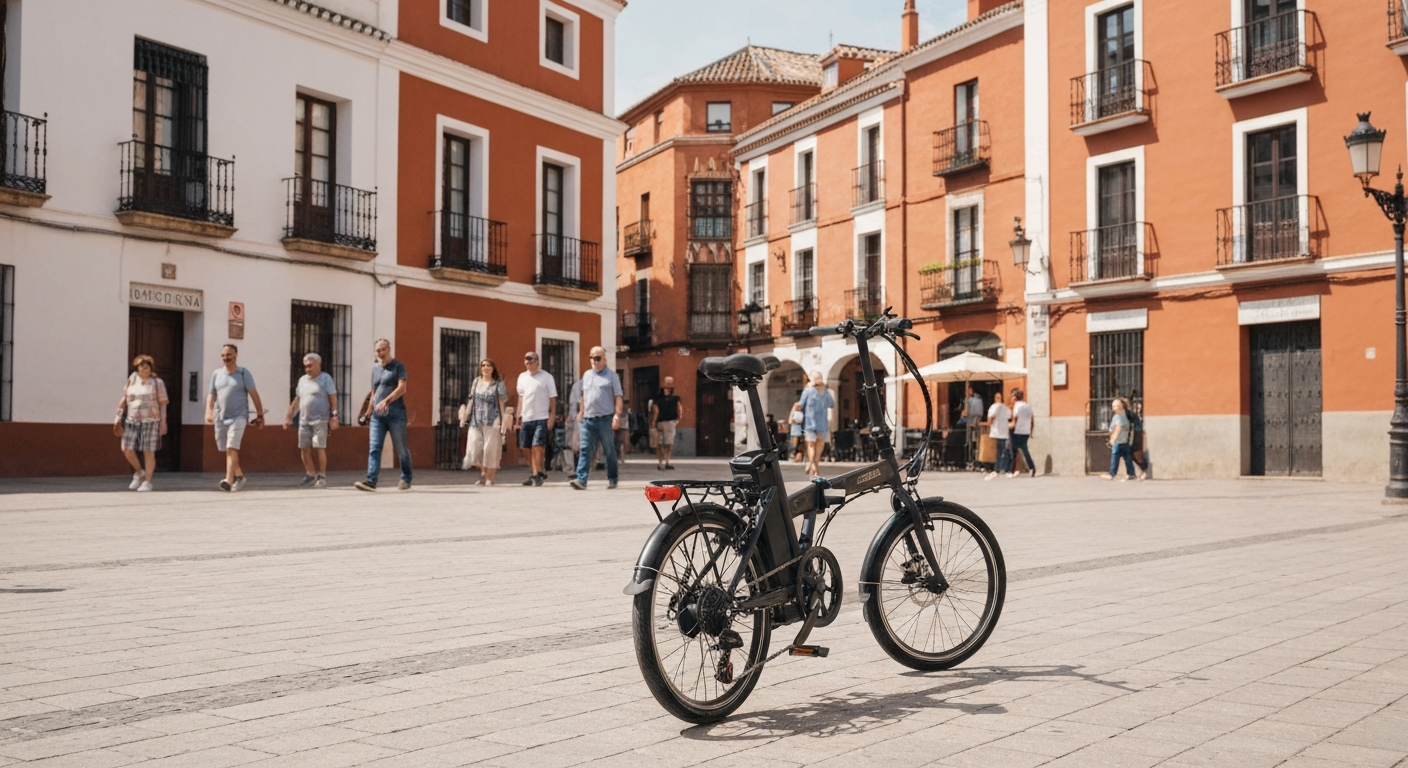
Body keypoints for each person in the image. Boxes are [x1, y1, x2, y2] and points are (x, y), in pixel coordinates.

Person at [205, 344, 264, 492]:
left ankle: (228, 480)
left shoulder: (243, 373)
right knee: (229, 450)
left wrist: (260, 414)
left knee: (231, 447)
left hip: (239, 416)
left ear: (236, 355)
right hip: (221, 416)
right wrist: (208, 411)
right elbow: (211, 394)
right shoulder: (216, 374)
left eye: (229, 354)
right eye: (223, 355)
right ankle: (239, 476)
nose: (226, 358)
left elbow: (254, 394)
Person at [355, 339, 411, 492]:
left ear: (389, 349)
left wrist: (386, 401)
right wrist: (368, 411)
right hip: (377, 417)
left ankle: (406, 477)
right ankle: (371, 481)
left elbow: (402, 388)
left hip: (396, 415)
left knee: (401, 449)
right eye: (377, 350)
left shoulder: (398, 366)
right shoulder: (375, 369)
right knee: (374, 447)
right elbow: (374, 391)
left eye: (382, 350)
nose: (380, 353)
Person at [570, 346, 624, 490]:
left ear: (604, 359)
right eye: (592, 358)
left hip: (605, 419)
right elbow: (583, 395)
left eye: (598, 358)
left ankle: (613, 478)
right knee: (585, 448)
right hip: (588, 419)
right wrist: (581, 412)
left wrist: (617, 416)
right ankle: (581, 480)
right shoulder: (587, 375)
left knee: (609, 450)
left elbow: (618, 396)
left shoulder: (612, 376)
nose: (594, 361)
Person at [283, 352, 338, 488]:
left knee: (318, 446)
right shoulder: (302, 380)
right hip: (304, 420)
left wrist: (334, 415)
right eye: (306, 366)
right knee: (304, 447)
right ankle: (310, 473)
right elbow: (297, 399)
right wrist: (288, 416)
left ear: (319, 365)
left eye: (310, 366)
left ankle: (322, 476)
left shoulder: (326, 379)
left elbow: (333, 397)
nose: (308, 369)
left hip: (320, 419)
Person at [116, 354, 168, 492]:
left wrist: (163, 421)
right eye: (142, 367)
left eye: (147, 367)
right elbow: (125, 398)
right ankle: (139, 472)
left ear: (151, 368)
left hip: (151, 420)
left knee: (148, 451)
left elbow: (163, 403)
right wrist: (118, 415)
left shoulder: (157, 382)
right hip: (132, 419)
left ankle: (148, 482)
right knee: (126, 448)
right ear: (137, 368)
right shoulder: (132, 379)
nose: (145, 369)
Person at [460, 358, 508, 486]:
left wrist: (503, 421)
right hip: (476, 420)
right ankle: (482, 471)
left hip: (493, 420)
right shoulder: (476, 382)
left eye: (489, 366)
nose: (486, 368)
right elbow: (472, 400)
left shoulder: (498, 384)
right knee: (474, 449)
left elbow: (501, 404)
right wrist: (465, 416)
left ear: (493, 369)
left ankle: (489, 478)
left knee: (490, 450)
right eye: (483, 366)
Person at [515, 351, 557, 486]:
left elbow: (552, 398)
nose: (529, 363)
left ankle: (535, 475)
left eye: (532, 361)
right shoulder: (522, 377)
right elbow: (521, 398)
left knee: (537, 446)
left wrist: (552, 416)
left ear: (538, 362)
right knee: (525, 447)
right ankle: (537, 469)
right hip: (526, 417)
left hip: (541, 416)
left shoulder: (547, 377)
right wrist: (517, 417)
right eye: (527, 361)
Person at [799, 371, 834, 478]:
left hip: (812, 423)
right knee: (817, 445)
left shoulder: (808, 391)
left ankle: (812, 464)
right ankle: (815, 466)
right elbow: (832, 404)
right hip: (819, 423)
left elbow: (801, 404)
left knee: (812, 445)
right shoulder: (824, 391)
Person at [650, 376, 682, 471]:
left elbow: (679, 408)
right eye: (667, 384)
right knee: (661, 443)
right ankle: (663, 462)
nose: (668, 386)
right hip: (661, 422)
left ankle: (666, 462)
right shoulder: (659, 397)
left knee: (667, 443)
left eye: (670, 384)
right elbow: (656, 410)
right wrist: (654, 421)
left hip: (669, 422)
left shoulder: (675, 397)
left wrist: (678, 419)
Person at [1105, 397, 1140, 481]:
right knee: (1127, 457)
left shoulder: (1117, 417)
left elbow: (1115, 429)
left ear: (1120, 407)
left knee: (1115, 457)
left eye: (1115, 406)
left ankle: (1112, 474)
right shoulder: (1125, 417)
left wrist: (1111, 439)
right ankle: (1131, 474)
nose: (1113, 408)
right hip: (1125, 441)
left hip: (1117, 441)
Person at [1008, 387, 1035, 478]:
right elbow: (1032, 420)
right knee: (1025, 450)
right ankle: (1031, 467)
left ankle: (1011, 471)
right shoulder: (1028, 406)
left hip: (1016, 431)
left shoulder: (1017, 406)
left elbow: (1014, 421)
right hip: (1026, 432)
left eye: (1011, 397)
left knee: (1013, 452)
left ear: (1014, 398)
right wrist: (1031, 432)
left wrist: (1006, 426)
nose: (1011, 400)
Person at [984, 390, 1011, 481]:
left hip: (998, 433)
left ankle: (999, 468)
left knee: (999, 452)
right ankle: (1000, 468)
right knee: (1001, 451)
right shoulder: (1001, 407)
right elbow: (1009, 416)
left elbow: (990, 419)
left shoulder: (997, 407)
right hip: (1000, 433)